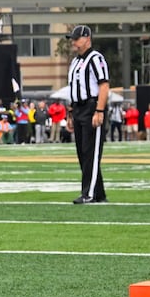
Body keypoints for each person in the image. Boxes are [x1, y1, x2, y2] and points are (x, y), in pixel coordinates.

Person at [66, 24, 109, 204]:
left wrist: (99, 110)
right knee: (82, 153)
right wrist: (70, 113)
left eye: (77, 39)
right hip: (78, 109)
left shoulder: (95, 58)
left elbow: (104, 85)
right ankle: (98, 193)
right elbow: (73, 89)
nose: (74, 42)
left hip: (91, 107)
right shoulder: (75, 62)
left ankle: (89, 194)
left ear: (87, 39)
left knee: (91, 152)